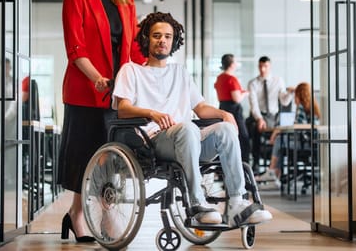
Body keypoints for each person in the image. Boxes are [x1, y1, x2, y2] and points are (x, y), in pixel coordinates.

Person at [112, 12, 272, 227]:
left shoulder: (180, 72)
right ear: (146, 39)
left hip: (190, 138)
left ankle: (237, 202)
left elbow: (201, 107)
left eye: (168, 36)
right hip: (154, 142)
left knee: (224, 128)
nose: (163, 40)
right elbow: (122, 108)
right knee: (187, 128)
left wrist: (224, 113)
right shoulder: (131, 71)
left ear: (174, 41)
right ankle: (196, 203)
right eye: (157, 36)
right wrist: (152, 113)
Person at [57, 0, 146, 242]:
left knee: (110, 158)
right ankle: (79, 215)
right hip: (85, 89)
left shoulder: (127, 2)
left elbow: (133, 48)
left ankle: (101, 213)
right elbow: (75, 46)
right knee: (84, 155)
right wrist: (96, 77)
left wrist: (150, 67)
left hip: (116, 93)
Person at [256, 82, 321, 188]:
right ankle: (274, 176)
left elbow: (297, 127)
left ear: (300, 96)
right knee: (281, 143)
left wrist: (278, 131)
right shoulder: (314, 108)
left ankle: (272, 172)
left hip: (305, 144)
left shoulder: (301, 107)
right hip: (313, 144)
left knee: (279, 140)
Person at [246, 56, 294, 174]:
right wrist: (259, 119)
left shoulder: (278, 81)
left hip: (273, 116)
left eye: (265, 66)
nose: (262, 69)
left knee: (280, 133)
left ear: (270, 66)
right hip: (258, 115)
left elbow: (284, 101)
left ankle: (276, 164)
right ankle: (256, 162)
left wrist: (290, 93)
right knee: (253, 128)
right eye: (260, 66)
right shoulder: (253, 83)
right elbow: (254, 104)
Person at [214, 54, 250, 163]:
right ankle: (244, 165)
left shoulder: (219, 78)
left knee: (226, 138)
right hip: (233, 110)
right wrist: (245, 93)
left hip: (222, 108)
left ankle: (223, 166)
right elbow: (237, 98)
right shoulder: (231, 79)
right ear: (232, 64)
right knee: (243, 138)